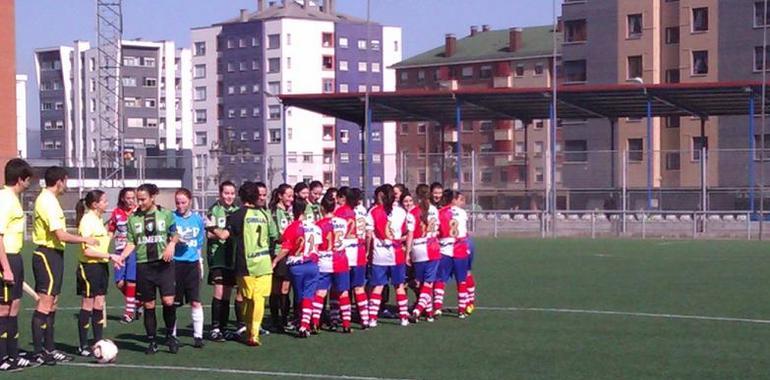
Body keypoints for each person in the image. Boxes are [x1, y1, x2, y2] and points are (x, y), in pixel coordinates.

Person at [31, 166, 98, 365]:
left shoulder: (51, 200)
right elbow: (60, 235)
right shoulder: (47, 201)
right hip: (47, 254)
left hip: (55, 255)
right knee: (45, 303)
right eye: (66, 181)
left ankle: (50, 349)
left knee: (53, 303)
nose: (66, 185)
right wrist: (85, 238)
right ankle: (38, 352)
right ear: (60, 181)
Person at [214, 182, 277, 346]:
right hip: (264, 262)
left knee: (248, 299)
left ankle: (250, 332)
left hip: (246, 263)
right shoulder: (265, 215)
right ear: (256, 196)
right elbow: (274, 237)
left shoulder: (237, 215)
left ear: (241, 197)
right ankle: (253, 333)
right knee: (259, 299)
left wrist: (211, 227)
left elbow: (223, 235)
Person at [120, 183, 180, 354]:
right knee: (149, 304)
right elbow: (131, 242)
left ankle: (170, 336)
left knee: (168, 301)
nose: (140, 203)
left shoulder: (165, 214)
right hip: (144, 265)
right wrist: (122, 257)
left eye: (143, 199)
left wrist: (171, 245)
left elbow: (175, 234)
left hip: (164, 265)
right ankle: (152, 340)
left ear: (153, 197)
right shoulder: (133, 218)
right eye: (138, 199)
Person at [75, 190, 120, 356]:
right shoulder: (87, 220)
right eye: (104, 201)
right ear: (95, 204)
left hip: (101, 266)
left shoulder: (98, 220)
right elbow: (87, 251)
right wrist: (110, 256)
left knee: (99, 303)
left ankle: (98, 342)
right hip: (89, 268)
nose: (107, 204)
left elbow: (102, 240)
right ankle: (83, 345)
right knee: (88, 304)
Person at [0, 159, 34, 372]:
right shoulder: (5, 199)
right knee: (3, 309)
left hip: (16, 256)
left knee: (14, 307)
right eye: (28, 179)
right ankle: (2, 356)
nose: (29, 184)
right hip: (7, 258)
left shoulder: (13, 199)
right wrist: (6, 267)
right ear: (20, 179)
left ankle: (12, 353)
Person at [366, 185, 414, 327]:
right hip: (397, 253)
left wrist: (368, 252)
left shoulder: (373, 212)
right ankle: (404, 318)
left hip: (379, 253)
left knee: (378, 286)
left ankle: (373, 319)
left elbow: (369, 235)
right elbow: (406, 232)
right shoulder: (402, 212)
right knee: (399, 286)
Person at [273, 198, 320, 338]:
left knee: (299, 296)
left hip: (297, 266)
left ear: (293, 210)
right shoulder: (315, 227)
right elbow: (318, 246)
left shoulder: (292, 227)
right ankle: (305, 325)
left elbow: (286, 248)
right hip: (312, 264)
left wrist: (275, 260)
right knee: (309, 296)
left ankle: (301, 322)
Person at [205, 181, 241, 342]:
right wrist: (221, 233)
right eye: (226, 193)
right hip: (217, 257)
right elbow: (210, 235)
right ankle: (215, 328)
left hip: (231, 257)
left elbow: (233, 233)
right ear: (220, 194)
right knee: (219, 292)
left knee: (227, 293)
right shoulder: (214, 210)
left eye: (232, 193)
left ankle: (224, 327)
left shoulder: (237, 211)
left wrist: (220, 232)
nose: (229, 196)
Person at [313, 192, 351, 333]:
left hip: (324, 261)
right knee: (343, 292)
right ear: (334, 207)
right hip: (341, 260)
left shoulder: (318, 225)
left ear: (322, 208)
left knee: (321, 292)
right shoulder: (343, 222)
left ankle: (315, 322)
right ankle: (346, 324)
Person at [173, 188, 206, 348]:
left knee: (195, 301)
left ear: (190, 201)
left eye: (183, 202)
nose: (180, 205)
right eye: (177, 202)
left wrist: (200, 261)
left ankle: (198, 336)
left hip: (192, 264)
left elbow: (199, 242)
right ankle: (171, 335)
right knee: (173, 302)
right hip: (175, 264)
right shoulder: (171, 218)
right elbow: (167, 239)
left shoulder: (197, 219)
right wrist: (175, 242)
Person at [334, 187, 369, 329]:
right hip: (359, 251)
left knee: (343, 289)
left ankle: (346, 322)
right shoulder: (360, 211)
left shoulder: (340, 212)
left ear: (344, 198)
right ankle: (365, 320)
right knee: (359, 288)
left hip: (345, 252)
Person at [435, 189, 471, 319]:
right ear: (454, 199)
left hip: (445, 249)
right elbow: (464, 231)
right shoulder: (462, 213)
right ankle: (462, 309)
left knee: (440, 280)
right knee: (461, 280)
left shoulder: (440, 213)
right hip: (460, 249)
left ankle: (437, 307)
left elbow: (438, 232)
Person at [408, 184, 441, 322]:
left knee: (421, 283)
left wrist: (408, 253)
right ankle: (418, 310)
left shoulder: (413, 212)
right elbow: (437, 229)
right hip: (433, 247)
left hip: (418, 249)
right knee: (428, 283)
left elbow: (410, 234)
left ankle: (429, 313)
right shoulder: (434, 210)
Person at [108, 187, 140, 324]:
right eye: (128, 198)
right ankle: (137, 302)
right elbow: (111, 230)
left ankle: (129, 312)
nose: (131, 201)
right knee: (119, 283)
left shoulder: (139, 212)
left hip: (134, 249)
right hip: (120, 250)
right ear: (122, 198)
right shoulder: (117, 212)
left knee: (131, 281)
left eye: (133, 198)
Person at [268, 184, 293, 333]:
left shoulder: (289, 212)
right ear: (280, 196)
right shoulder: (274, 213)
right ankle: (275, 320)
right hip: (278, 254)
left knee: (285, 289)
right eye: (288, 196)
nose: (291, 199)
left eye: (292, 196)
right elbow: (276, 236)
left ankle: (284, 320)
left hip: (289, 254)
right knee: (276, 289)